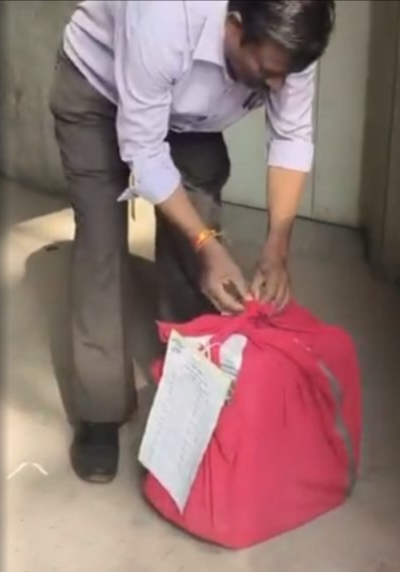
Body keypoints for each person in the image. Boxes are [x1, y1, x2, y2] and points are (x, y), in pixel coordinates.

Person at [50, 0, 335, 483]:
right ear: (234, 26)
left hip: (191, 115)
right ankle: (99, 411)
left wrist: (277, 246)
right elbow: (143, 150)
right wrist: (206, 244)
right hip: (100, 87)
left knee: (201, 240)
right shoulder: (163, 15)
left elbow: (291, 134)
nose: (277, 86)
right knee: (102, 242)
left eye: (286, 75)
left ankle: (188, 389)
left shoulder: (292, 32)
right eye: (266, 72)